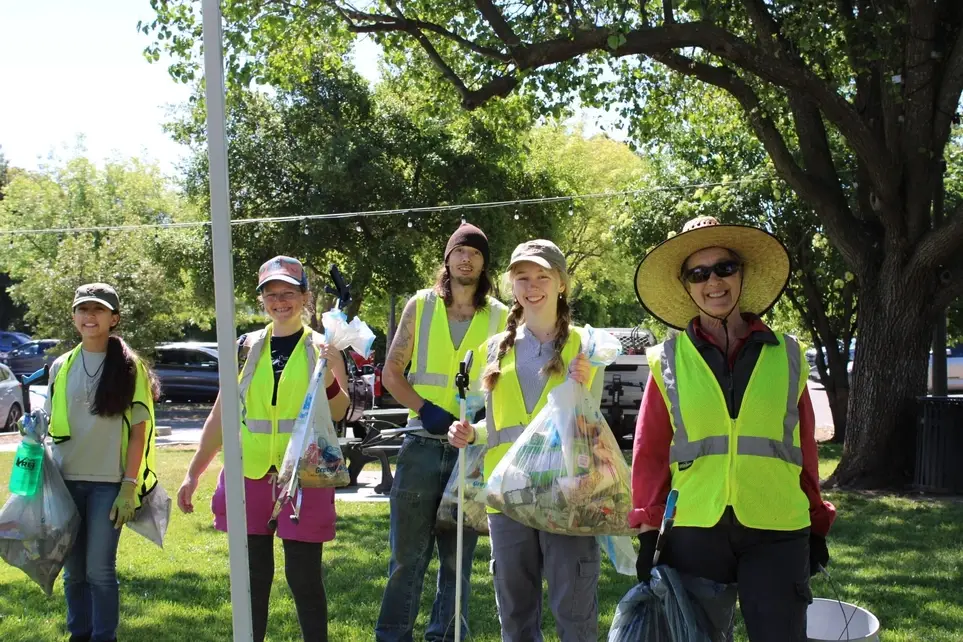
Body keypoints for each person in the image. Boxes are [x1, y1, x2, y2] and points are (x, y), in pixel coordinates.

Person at [629, 216, 837, 641]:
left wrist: (817, 522)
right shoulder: (666, 360)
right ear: (687, 286)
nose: (714, 282)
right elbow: (649, 453)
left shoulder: (789, 355)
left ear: (742, 274)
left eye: (724, 268)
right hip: (694, 529)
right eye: (698, 273)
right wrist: (650, 525)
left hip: (777, 528)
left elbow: (804, 453)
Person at [176, 256, 350, 642]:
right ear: (262, 300)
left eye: (288, 292)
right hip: (249, 474)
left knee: (303, 578)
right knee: (253, 579)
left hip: (304, 476)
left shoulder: (324, 345)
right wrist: (193, 473)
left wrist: (330, 373)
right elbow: (221, 415)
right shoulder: (245, 347)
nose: (279, 301)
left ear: (305, 296)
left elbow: (341, 411)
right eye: (271, 294)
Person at [448, 239, 604, 642]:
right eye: (522, 277)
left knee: (575, 616)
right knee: (515, 618)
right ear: (511, 285)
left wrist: (584, 388)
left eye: (542, 276)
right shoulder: (493, 349)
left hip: (567, 494)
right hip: (510, 497)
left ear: (561, 284)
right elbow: (498, 427)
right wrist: (471, 432)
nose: (532, 285)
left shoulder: (585, 347)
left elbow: (590, 425)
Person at [376, 223, 508, 642]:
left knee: (457, 564)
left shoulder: (502, 317)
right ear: (447, 259)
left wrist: (482, 431)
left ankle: (446, 637)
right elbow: (391, 373)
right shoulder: (421, 305)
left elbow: (511, 389)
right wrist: (424, 409)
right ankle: (393, 636)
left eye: (475, 253)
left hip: (469, 455)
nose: (466, 259)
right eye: (458, 251)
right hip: (420, 446)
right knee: (405, 559)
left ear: (484, 263)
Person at [46, 283, 161, 642]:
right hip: (65, 483)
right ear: (74, 318)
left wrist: (129, 486)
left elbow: (139, 431)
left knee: (99, 571)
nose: (89, 316)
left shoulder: (130, 368)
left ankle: (104, 638)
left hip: (108, 485)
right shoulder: (60, 366)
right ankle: (77, 635)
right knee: (73, 573)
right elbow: (52, 424)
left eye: (98, 310)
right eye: (82, 309)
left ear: (114, 319)